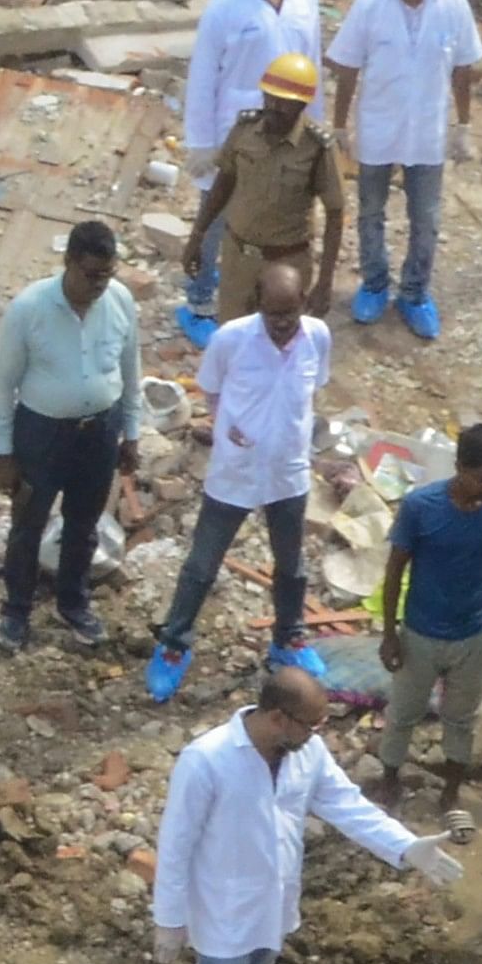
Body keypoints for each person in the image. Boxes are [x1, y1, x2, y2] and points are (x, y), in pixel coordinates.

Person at [125, 663, 461, 964]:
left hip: (273, 906)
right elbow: (176, 845)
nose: (318, 733)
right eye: (312, 723)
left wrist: (407, 847)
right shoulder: (208, 760)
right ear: (280, 717)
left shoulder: (306, 752)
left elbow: (347, 805)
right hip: (222, 912)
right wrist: (169, 920)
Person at [149, 258, 334, 700]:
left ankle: (288, 640)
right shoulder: (231, 339)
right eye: (274, 316)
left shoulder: (319, 337)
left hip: (288, 472)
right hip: (235, 470)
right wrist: (230, 427)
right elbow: (211, 389)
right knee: (201, 565)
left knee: (291, 567)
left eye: (290, 315)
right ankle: (174, 646)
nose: (283, 326)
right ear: (258, 306)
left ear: (303, 304)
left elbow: (314, 389)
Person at [0, 219, 141, 653]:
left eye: (106, 275)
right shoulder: (29, 309)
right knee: (28, 524)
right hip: (41, 433)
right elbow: (2, 384)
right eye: (90, 274)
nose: (98, 285)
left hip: (100, 432)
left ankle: (74, 603)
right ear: (68, 262)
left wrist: (131, 433)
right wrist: (3, 452)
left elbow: (131, 370)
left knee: (84, 524)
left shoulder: (120, 302)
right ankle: (16, 611)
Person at [377, 421, 482, 806]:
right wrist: (390, 633)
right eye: (481, 479)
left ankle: (452, 787)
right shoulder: (421, 507)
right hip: (421, 632)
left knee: (461, 717)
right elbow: (394, 571)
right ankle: (390, 775)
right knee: (404, 711)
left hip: (474, 634)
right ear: (459, 467)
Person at [323, 0, 482, 339]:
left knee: (426, 219)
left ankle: (414, 293)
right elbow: (347, 68)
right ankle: (375, 284)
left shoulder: (453, 5)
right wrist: (340, 125)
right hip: (379, 127)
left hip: (427, 132)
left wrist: (464, 125)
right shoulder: (370, 7)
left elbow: (463, 68)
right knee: (371, 212)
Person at [177, 0, 325, 338]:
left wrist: (314, 129)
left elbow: (311, 66)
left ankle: (261, 294)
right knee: (217, 214)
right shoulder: (226, 5)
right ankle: (200, 303)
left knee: (275, 214)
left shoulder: (305, 0)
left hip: (288, 130)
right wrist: (201, 144)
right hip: (234, 131)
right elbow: (203, 76)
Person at [183, 52, 347, 328]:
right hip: (238, 259)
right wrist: (197, 236)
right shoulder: (245, 130)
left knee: (280, 346)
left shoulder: (317, 147)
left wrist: (325, 281)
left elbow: (335, 212)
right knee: (232, 339)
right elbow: (224, 183)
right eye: (269, 98)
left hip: (286, 265)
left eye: (283, 103)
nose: (272, 107)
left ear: (301, 104)